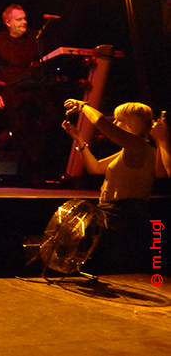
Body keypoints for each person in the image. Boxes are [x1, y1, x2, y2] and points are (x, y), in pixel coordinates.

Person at [62, 100, 169, 271]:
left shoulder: (137, 147)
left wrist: (83, 106)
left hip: (120, 215)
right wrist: (79, 140)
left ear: (133, 124)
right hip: (116, 214)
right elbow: (96, 168)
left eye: (120, 120)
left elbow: (101, 123)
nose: (116, 124)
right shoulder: (134, 149)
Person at [0, 4, 55, 181]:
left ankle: (39, 172)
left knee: (43, 129)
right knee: (20, 132)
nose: (24, 22)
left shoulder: (35, 37)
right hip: (13, 93)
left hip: (36, 93)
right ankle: (23, 174)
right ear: (8, 23)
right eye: (19, 19)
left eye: (24, 18)